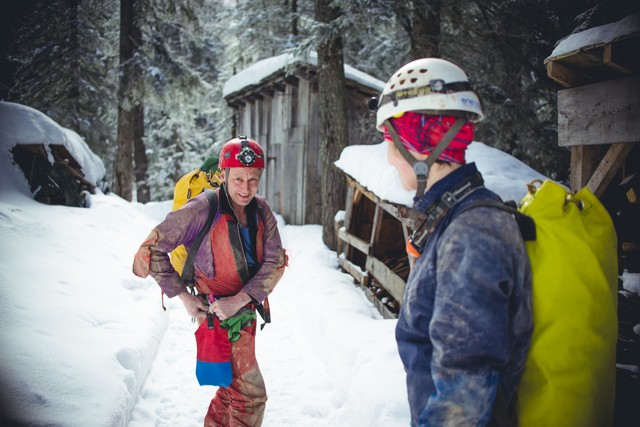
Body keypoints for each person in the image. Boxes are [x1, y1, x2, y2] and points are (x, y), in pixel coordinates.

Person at [374, 58, 533, 426]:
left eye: (390, 140)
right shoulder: (453, 217)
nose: (388, 157)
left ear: (417, 144)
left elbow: (465, 392)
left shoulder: (472, 230)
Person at [132, 136, 287, 426]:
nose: (245, 188)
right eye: (238, 178)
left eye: (253, 179)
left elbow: (275, 261)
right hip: (218, 319)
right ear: (223, 174)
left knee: (231, 390)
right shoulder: (203, 207)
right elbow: (149, 249)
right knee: (250, 396)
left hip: (245, 312)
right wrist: (184, 296)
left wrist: (241, 300)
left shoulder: (261, 209)